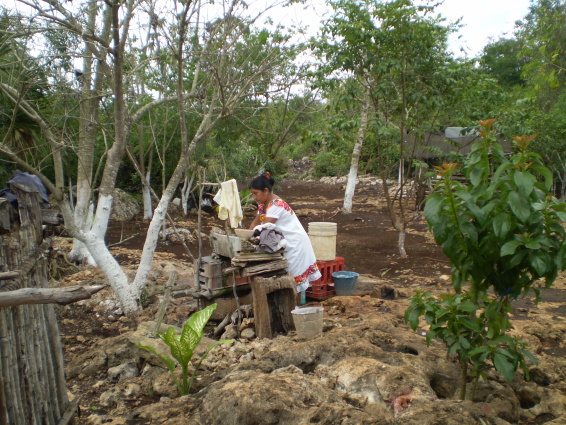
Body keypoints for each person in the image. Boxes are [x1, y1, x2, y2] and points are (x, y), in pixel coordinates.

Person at [248, 173, 321, 295]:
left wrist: (250, 238)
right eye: (253, 193)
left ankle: (293, 307)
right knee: (287, 276)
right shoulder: (262, 205)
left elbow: (264, 227)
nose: (254, 196)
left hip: (295, 243)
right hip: (285, 241)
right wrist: (246, 235)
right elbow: (255, 223)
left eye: (256, 193)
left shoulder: (276, 205)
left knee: (291, 277)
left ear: (265, 191)